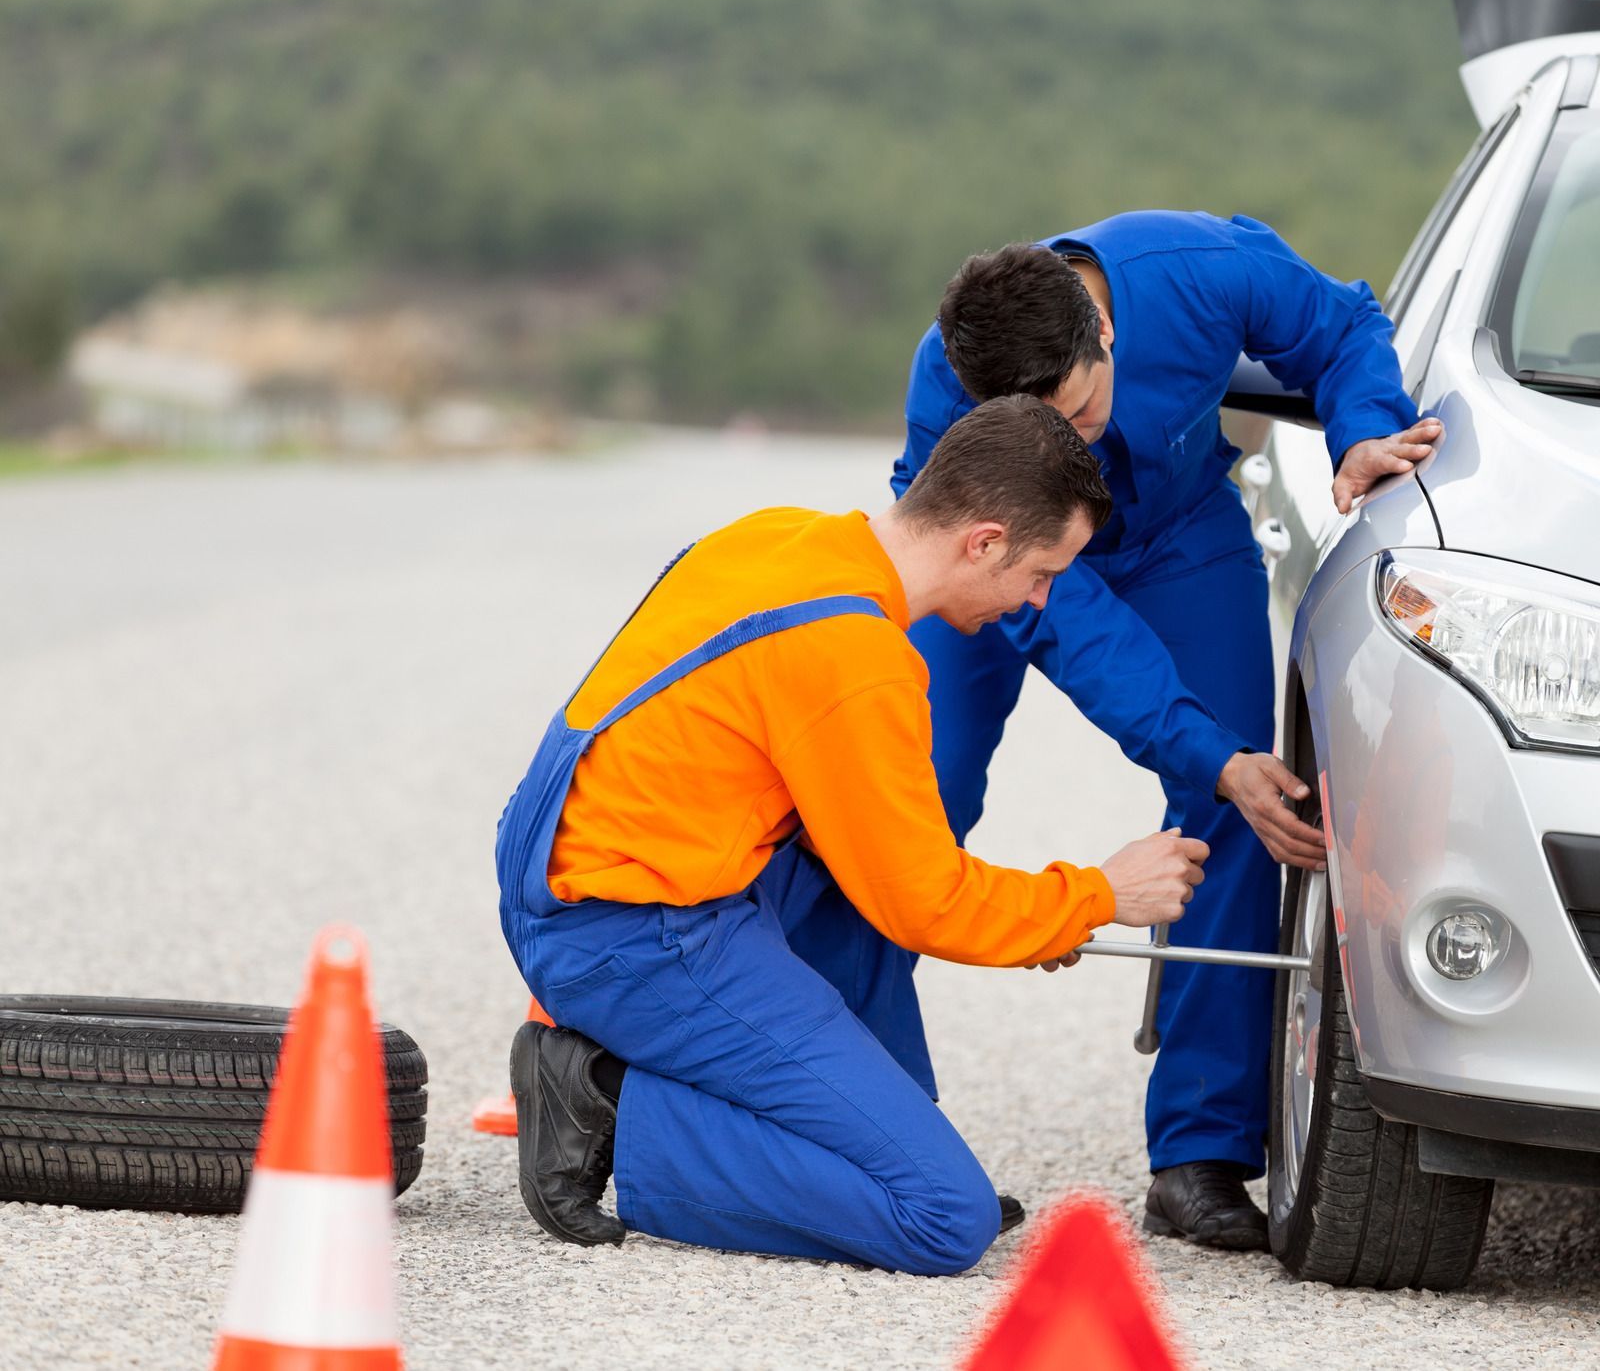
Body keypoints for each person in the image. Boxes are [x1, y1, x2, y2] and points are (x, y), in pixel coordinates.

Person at [495, 396, 1208, 1275]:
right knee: (943, 1217)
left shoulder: (783, 537)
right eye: (1042, 572)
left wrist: (1039, 920)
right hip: (633, 935)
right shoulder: (854, 657)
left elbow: (890, 867)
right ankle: (607, 1097)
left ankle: (873, 1145)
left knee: (852, 886)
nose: (1040, 599)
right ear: (982, 541)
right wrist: (1101, 894)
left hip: (582, 871)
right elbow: (927, 903)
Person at [893, 213, 1443, 1251]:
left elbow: (1342, 325)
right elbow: (1066, 620)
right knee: (906, 802)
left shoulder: (1204, 271)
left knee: (1249, 793)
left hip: (1179, 535)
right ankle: (860, 1105)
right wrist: (1196, 746)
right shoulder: (947, 380)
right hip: (995, 562)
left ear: (1104, 333)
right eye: (1048, 436)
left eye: (1084, 413)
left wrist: (1363, 420)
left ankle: (1197, 1152)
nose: (1078, 444)